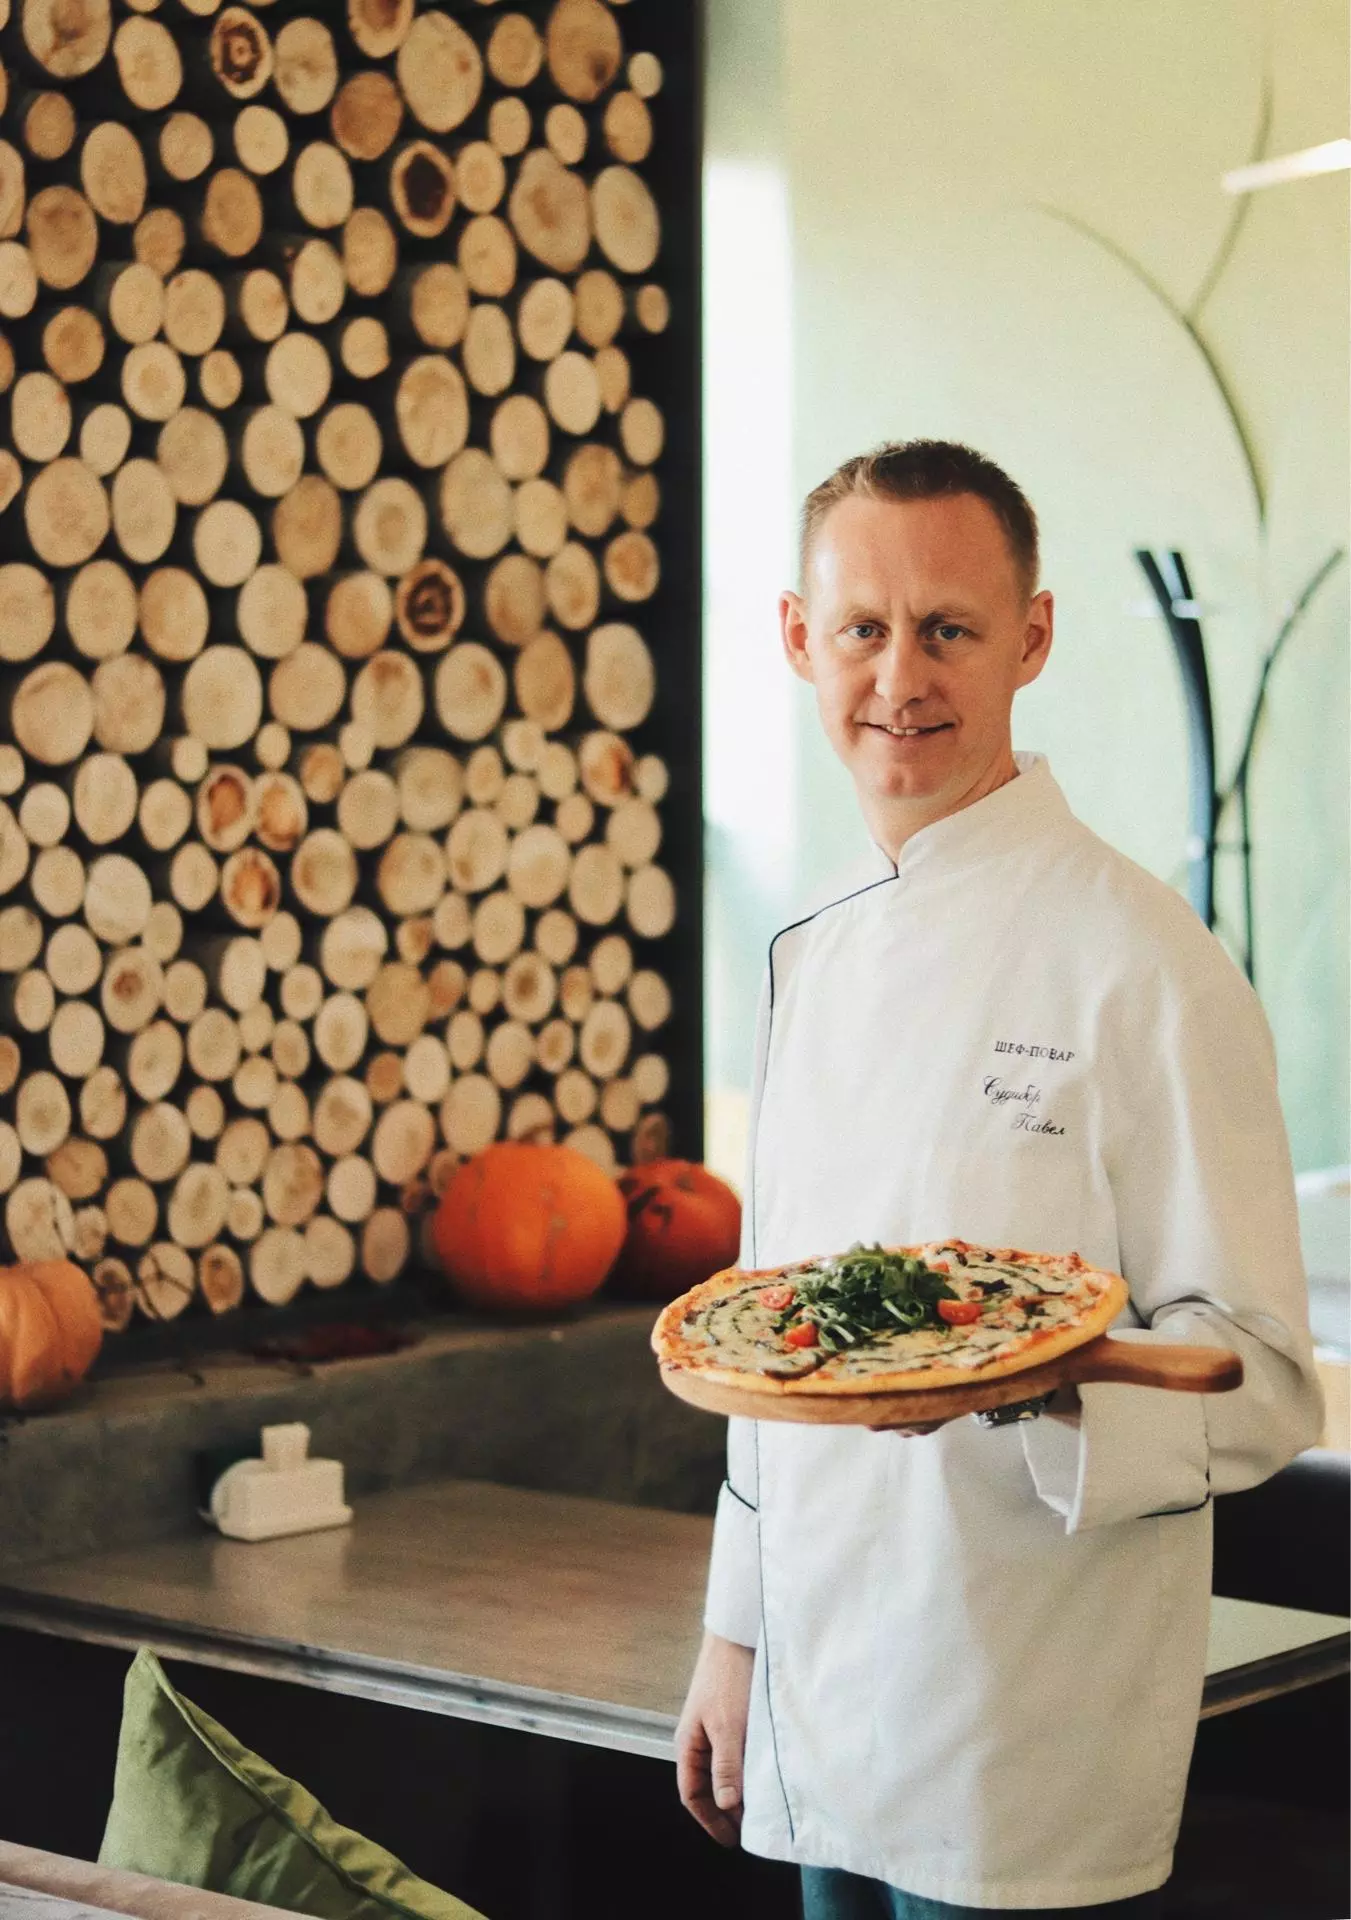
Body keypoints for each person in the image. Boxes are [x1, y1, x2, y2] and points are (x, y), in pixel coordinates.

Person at [675, 441, 1323, 1919]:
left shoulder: (1145, 965)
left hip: (1026, 1720)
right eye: (863, 627)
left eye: (948, 629)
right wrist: (734, 1636)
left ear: (1030, 639)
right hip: (820, 1698)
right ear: (799, 639)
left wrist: (1035, 1385)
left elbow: (1271, 1380)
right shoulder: (805, 953)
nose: (899, 677)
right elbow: (775, 1342)